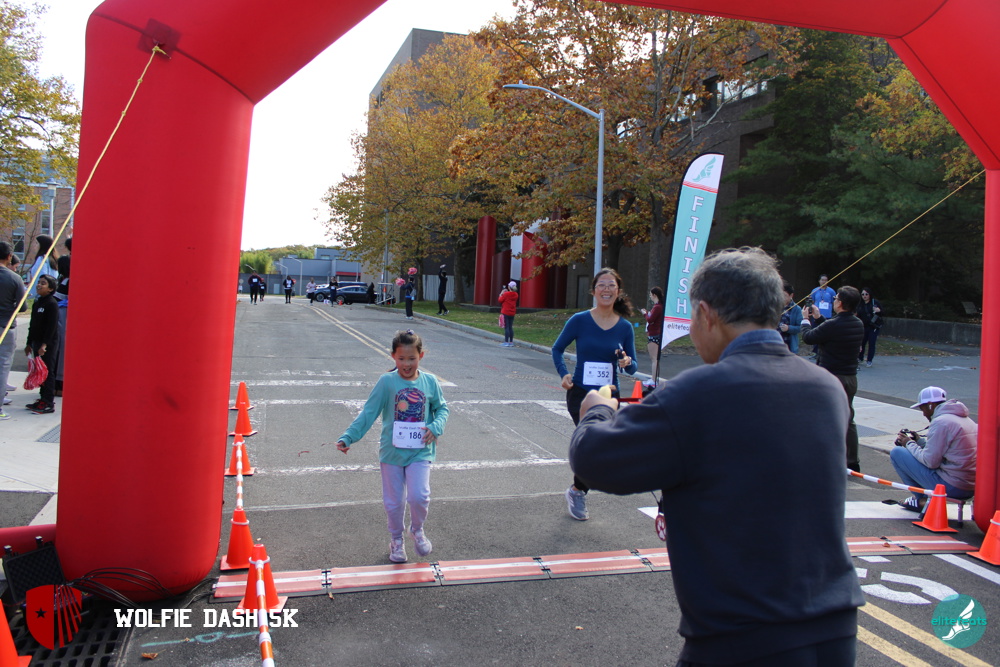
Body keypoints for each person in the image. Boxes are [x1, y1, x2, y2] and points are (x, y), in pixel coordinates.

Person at [569, 248, 863, 665]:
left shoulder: (697, 393)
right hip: (835, 626)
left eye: (693, 317)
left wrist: (596, 411)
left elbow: (594, 460)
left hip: (743, 634)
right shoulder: (826, 387)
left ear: (706, 315)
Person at [335, 329, 449, 563]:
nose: (406, 364)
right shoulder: (386, 382)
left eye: (412, 358)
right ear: (393, 357)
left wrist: (436, 427)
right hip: (392, 452)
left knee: (419, 496)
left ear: (421, 356)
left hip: (420, 450)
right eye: (401, 358)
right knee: (394, 502)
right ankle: (396, 540)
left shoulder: (430, 381)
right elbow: (369, 412)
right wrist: (349, 437)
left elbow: (442, 409)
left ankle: (417, 530)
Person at [552, 268, 638, 521]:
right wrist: (564, 374)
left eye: (611, 285)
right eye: (602, 285)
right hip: (580, 393)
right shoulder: (579, 320)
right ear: (594, 291)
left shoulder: (624, 327)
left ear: (618, 291)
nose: (606, 289)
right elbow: (557, 349)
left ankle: (577, 489)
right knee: (591, 443)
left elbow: (632, 367)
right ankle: (578, 492)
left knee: (600, 447)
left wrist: (626, 362)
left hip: (609, 396)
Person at [802, 286, 865, 472]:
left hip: (831, 377)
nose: (834, 300)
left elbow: (809, 337)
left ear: (841, 303)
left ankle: (824, 457)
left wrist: (806, 320)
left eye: (836, 298)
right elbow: (833, 331)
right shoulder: (857, 324)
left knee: (825, 418)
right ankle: (852, 461)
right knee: (848, 419)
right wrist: (819, 318)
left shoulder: (834, 325)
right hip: (850, 377)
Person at [891, 386, 976, 512]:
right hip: (970, 486)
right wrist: (919, 441)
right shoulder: (966, 419)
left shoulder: (941, 422)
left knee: (897, 453)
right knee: (912, 453)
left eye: (923, 408)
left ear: (930, 405)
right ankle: (923, 500)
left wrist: (908, 443)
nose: (924, 413)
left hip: (952, 486)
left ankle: (922, 500)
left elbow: (931, 462)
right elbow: (946, 453)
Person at [25, 274, 60, 414]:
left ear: (50, 289)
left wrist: (44, 345)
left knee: (48, 371)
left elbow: (52, 327)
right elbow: (32, 325)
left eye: (43, 283)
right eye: (39, 282)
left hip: (47, 344)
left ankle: (48, 402)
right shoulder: (37, 302)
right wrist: (29, 343)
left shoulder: (52, 304)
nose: (39, 285)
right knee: (40, 371)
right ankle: (42, 399)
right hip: (36, 342)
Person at [0, 242, 26, 419]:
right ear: (9, 257)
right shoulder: (14, 278)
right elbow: (22, 306)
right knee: (2, 367)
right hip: (5, 325)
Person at [54, 236, 71, 396]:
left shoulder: (66, 281)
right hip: (62, 317)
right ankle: (58, 384)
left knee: (61, 351)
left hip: (63, 318)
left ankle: (60, 384)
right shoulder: (64, 281)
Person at [639, 286, 664, 383]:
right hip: (656, 333)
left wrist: (644, 314)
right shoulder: (659, 307)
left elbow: (650, 319)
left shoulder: (657, 307)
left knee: (654, 358)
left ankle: (653, 380)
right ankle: (654, 379)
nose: (650, 296)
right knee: (655, 358)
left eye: (650, 294)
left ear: (654, 295)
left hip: (654, 334)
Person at [808, 274, 837, 357]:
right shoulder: (815, 290)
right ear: (819, 281)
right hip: (816, 315)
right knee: (816, 332)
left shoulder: (831, 291)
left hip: (827, 316)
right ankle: (816, 352)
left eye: (825, 280)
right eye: (822, 280)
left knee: (826, 334)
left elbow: (834, 302)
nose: (824, 282)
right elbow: (811, 301)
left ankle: (825, 351)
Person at [856, 288, 883, 367]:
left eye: (866, 294)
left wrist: (879, 311)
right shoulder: (860, 304)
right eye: (862, 294)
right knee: (862, 342)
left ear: (870, 295)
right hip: (863, 326)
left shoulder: (874, 303)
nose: (864, 296)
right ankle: (860, 357)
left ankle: (869, 360)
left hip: (873, 326)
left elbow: (883, 312)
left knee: (871, 343)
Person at [26, 234, 59, 299]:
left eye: (36, 243)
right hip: (51, 294)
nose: (34, 245)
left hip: (41, 296)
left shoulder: (41, 259)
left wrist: (29, 293)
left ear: (42, 245)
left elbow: (40, 278)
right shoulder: (53, 260)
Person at [777, 280, 802, 354]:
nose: (782, 298)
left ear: (791, 295)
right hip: (775, 343)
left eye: (784, 295)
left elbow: (800, 327)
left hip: (789, 345)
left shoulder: (796, 309)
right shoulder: (775, 306)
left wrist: (789, 328)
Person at [498, 280, 518, 347]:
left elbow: (500, 300)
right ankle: (511, 342)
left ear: (509, 287)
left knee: (506, 327)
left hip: (506, 312)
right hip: (512, 312)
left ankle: (506, 342)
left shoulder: (506, 294)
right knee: (510, 327)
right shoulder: (516, 294)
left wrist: (501, 294)